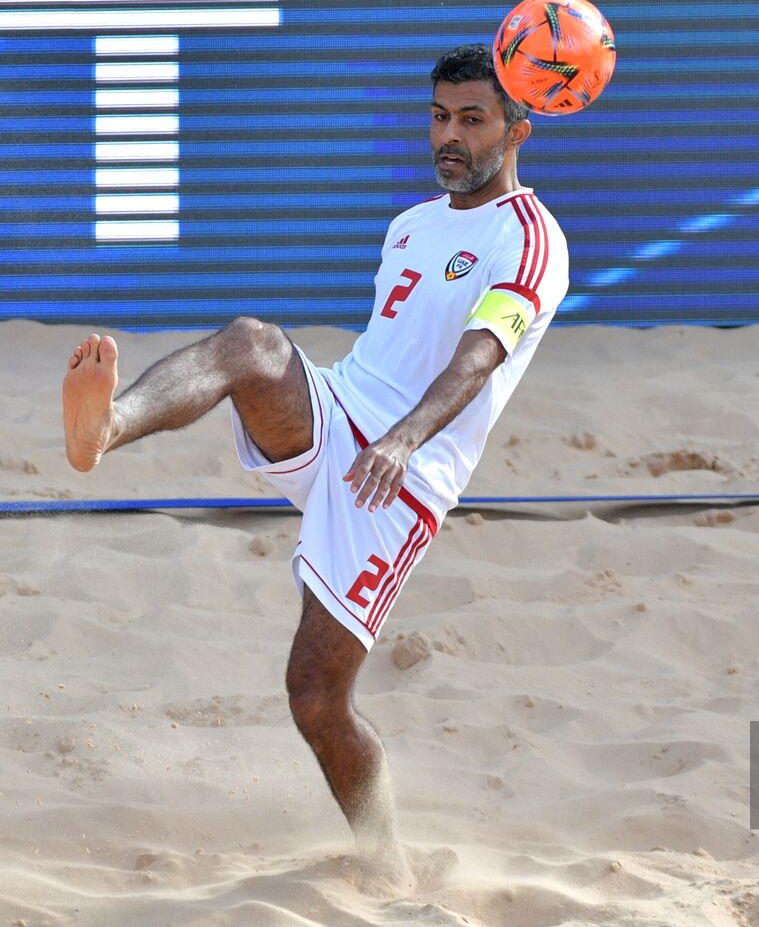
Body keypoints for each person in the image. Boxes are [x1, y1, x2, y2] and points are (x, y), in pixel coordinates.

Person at [60, 43, 568, 890]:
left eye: (472, 119)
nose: (450, 135)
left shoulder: (532, 239)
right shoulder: (410, 225)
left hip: (400, 480)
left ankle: (389, 863)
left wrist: (404, 439)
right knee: (250, 345)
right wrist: (360, 421)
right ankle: (106, 428)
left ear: (519, 129)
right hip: (337, 410)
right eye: (440, 116)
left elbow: (479, 357)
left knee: (313, 694)